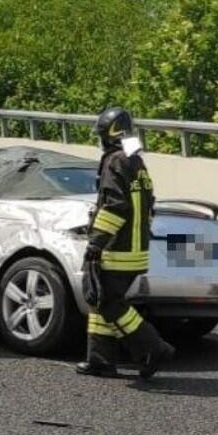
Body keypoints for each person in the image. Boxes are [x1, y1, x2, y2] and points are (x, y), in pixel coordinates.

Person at [77, 106, 177, 379]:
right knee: (100, 301)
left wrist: (96, 243)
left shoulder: (115, 161)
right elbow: (147, 204)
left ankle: (153, 347)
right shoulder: (136, 161)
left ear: (108, 136)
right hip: (135, 249)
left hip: (118, 250)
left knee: (110, 303)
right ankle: (99, 360)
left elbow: (115, 207)